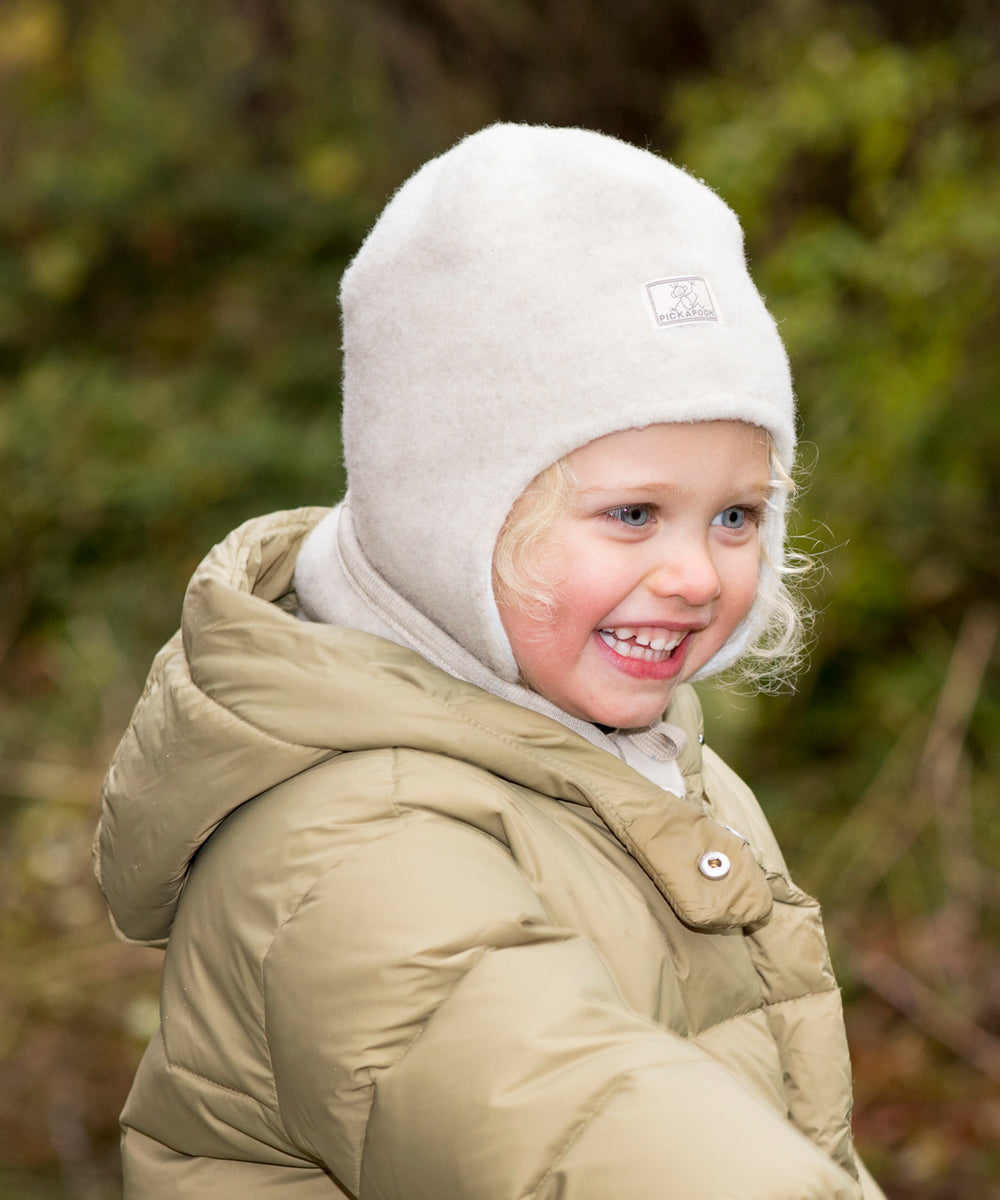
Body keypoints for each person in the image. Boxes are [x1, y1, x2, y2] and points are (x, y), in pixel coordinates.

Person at [95, 123, 886, 1199]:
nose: (698, 575)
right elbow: (570, 1123)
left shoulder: (649, 774)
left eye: (736, 515)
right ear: (448, 518)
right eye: (634, 513)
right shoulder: (349, 845)